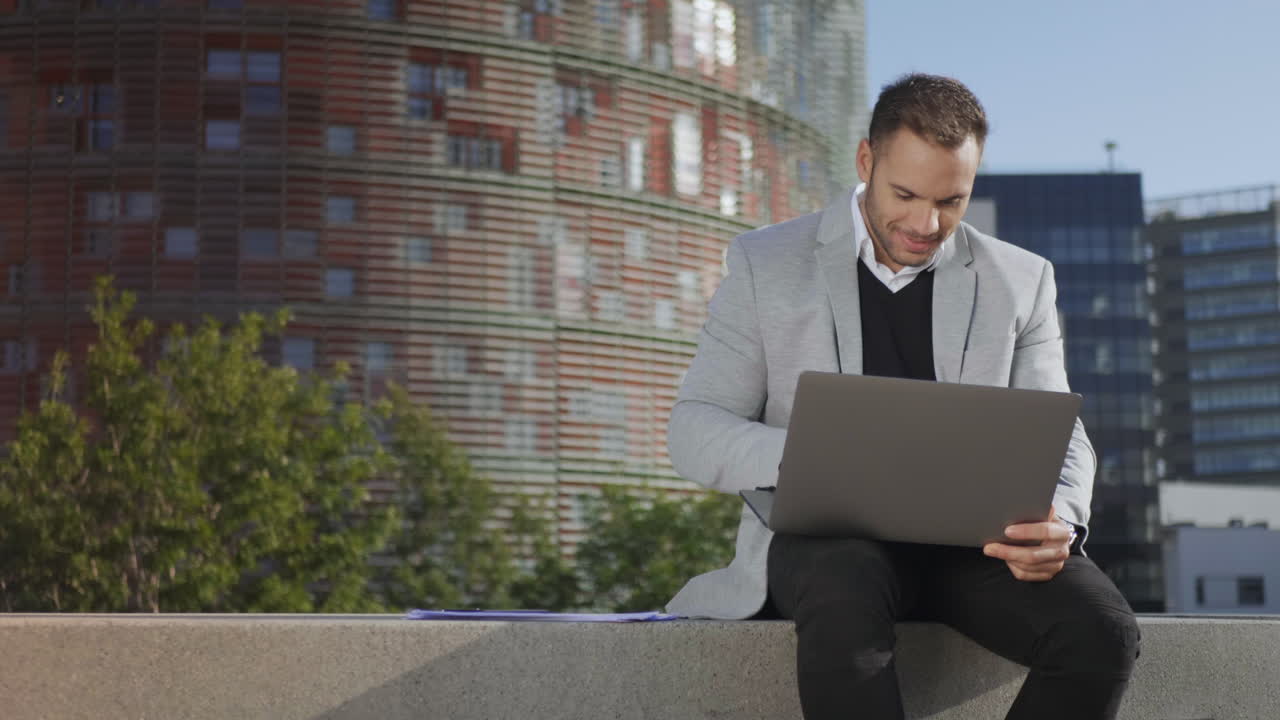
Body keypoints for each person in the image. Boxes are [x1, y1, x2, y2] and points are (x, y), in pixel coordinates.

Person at [664, 73, 1140, 720]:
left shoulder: (1023, 281)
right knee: (844, 589)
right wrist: (814, 458)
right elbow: (694, 429)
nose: (925, 223)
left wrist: (1059, 515)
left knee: (1103, 633)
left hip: (974, 548)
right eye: (906, 194)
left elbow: (1063, 431)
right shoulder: (764, 264)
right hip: (829, 545)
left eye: (951, 201)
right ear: (866, 161)